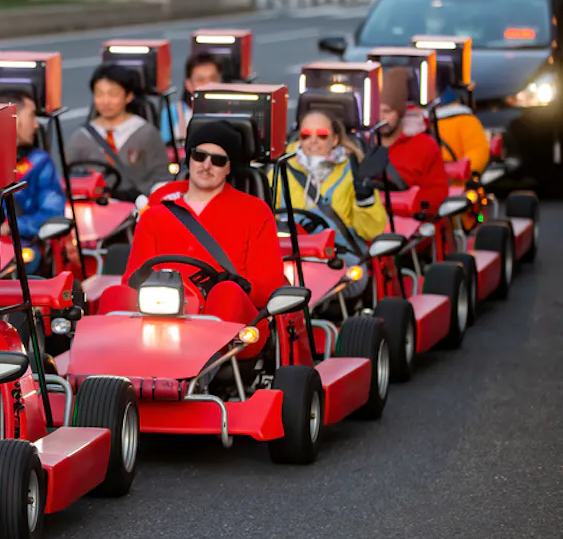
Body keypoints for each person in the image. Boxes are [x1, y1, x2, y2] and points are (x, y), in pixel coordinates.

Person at [100, 121, 286, 355]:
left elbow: (269, 286)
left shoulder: (254, 211)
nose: (206, 166)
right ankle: (105, 375)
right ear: (189, 158)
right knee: (113, 295)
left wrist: (238, 285)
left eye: (218, 160)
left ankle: (205, 362)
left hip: (229, 321)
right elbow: (132, 279)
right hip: (160, 312)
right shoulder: (157, 212)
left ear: (229, 168)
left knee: (226, 293)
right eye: (200, 156)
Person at [273, 109, 388, 241]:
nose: (313, 140)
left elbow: (371, 232)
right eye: (306, 135)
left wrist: (365, 198)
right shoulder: (279, 169)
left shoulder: (354, 173)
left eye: (322, 135)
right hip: (291, 254)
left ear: (334, 139)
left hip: (339, 256)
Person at [65, 63, 173, 199]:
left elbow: (161, 178)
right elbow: (67, 179)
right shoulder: (81, 137)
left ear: (128, 96)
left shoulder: (146, 133)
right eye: (99, 94)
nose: (105, 101)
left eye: (113, 94)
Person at [0, 89, 68, 239]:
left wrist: (11, 226)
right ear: (13, 120)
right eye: (32, 116)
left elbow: (52, 213)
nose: (36, 125)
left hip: (23, 246)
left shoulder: (39, 162)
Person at [376, 67, 449, 213]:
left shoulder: (425, 146)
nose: (381, 118)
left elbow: (437, 192)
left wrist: (414, 206)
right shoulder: (360, 146)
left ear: (400, 112)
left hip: (411, 225)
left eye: (387, 111)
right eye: (376, 112)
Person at [164, 52, 223, 145]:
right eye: (200, 80)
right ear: (188, 84)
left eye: (213, 78)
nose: (208, 84)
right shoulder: (172, 113)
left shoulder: (231, 111)